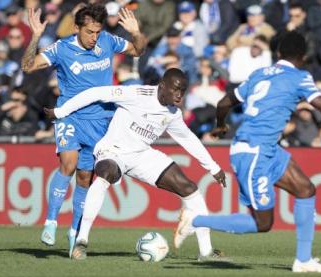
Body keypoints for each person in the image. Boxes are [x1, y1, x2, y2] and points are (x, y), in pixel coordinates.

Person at [174, 32, 321, 273]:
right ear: (303, 57)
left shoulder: (259, 74)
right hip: (254, 152)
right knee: (263, 223)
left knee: (305, 189)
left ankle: (303, 261)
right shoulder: (300, 77)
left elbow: (224, 104)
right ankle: (195, 221)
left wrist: (220, 125)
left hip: (266, 148)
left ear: (279, 54)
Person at [44, 69, 226, 261]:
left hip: (141, 155)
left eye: (183, 90)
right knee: (106, 174)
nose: (179, 94)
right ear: (162, 86)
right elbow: (96, 93)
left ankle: (206, 252)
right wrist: (61, 111)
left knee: (190, 189)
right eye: (175, 89)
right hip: (113, 150)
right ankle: (81, 241)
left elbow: (188, 139)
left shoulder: (173, 114)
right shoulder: (136, 93)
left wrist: (213, 167)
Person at [21, 4, 146, 255]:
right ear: (76, 28)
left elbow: (138, 51)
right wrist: (35, 36)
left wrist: (136, 32)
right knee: (68, 163)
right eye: (89, 32)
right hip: (69, 116)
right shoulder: (61, 48)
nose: (94, 37)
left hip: (100, 120)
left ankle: (74, 233)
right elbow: (28, 66)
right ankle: (50, 222)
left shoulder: (108, 42)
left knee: (85, 178)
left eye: (97, 32)